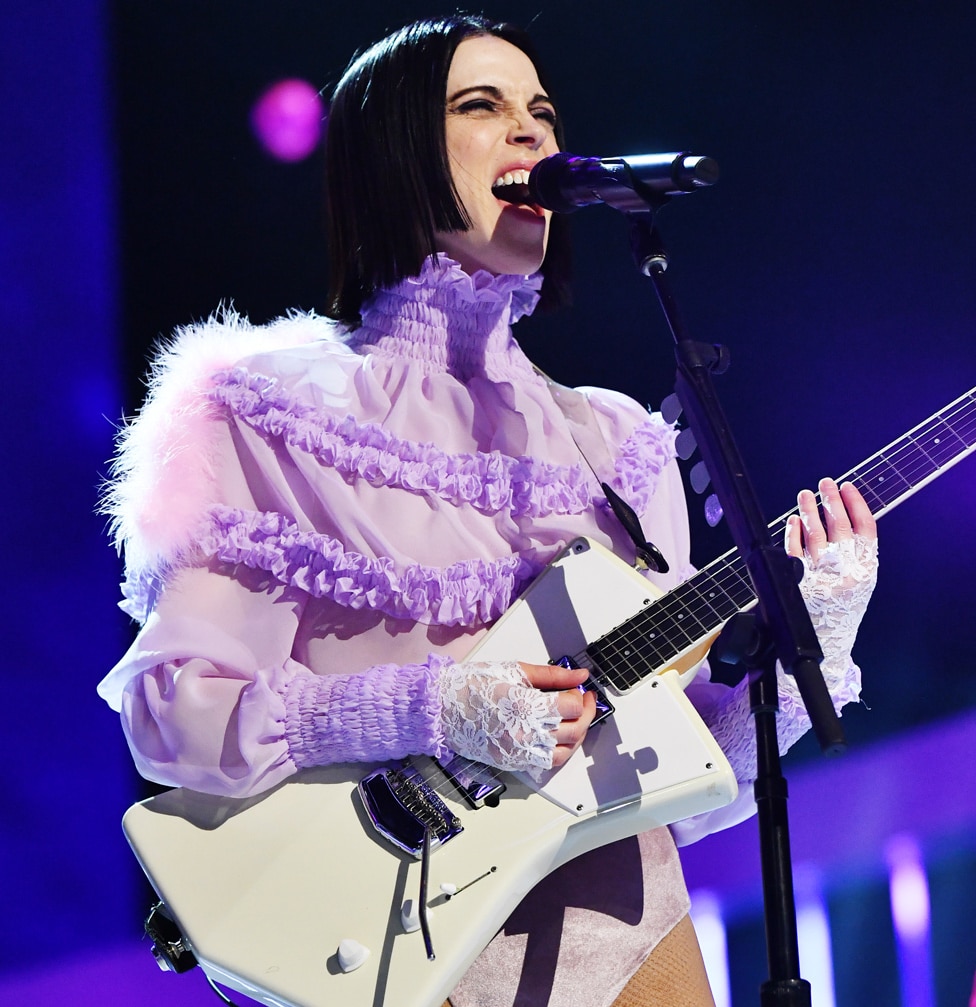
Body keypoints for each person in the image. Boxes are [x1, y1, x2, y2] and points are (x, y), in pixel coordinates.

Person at [98, 14, 878, 1007]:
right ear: (393, 154)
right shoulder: (263, 409)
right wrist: (431, 706)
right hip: (391, 944)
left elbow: (676, 785)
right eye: (483, 106)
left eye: (542, 112)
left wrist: (819, 634)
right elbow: (176, 718)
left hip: (635, 941)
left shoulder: (613, 442)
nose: (532, 134)